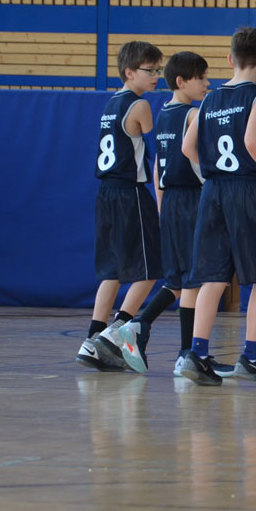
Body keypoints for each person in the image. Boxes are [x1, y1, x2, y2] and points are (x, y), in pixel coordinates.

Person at [176, 26, 256, 387]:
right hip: (246, 189)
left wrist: (212, 171)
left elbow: (187, 147)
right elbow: (251, 141)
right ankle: (252, 357)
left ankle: (196, 354)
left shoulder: (209, 100)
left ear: (230, 59)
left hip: (213, 191)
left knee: (212, 277)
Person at [97, 51, 226, 377]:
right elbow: (190, 153)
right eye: (202, 78)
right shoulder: (192, 114)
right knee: (193, 278)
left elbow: (156, 165)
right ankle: (154, 334)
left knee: (181, 280)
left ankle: (183, 351)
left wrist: (161, 201)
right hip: (191, 199)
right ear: (182, 81)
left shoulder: (164, 112)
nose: (207, 83)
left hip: (169, 201)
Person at [75, 40, 164, 372]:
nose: (156, 76)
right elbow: (159, 149)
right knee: (151, 269)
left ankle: (92, 337)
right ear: (129, 72)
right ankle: (116, 331)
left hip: (106, 194)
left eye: (159, 70)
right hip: (130, 193)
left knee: (112, 271)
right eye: (150, 70)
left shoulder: (111, 103)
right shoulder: (139, 106)